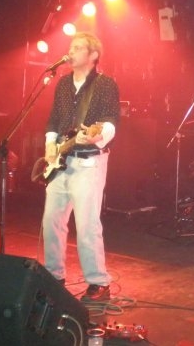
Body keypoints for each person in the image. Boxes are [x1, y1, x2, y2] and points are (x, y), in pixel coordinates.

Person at [42, 32, 120, 301]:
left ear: (93, 55)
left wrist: (98, 135)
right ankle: (53, 276)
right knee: (51, 221)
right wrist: (50, 144)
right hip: (60, 162)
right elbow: (54, 118)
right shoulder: (63, 83)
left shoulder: (105, 84)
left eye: (77, 47)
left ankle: (99, 283)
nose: (70, 51)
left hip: (89, 162)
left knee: (87, 224)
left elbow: (111, 119)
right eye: (71, 47)